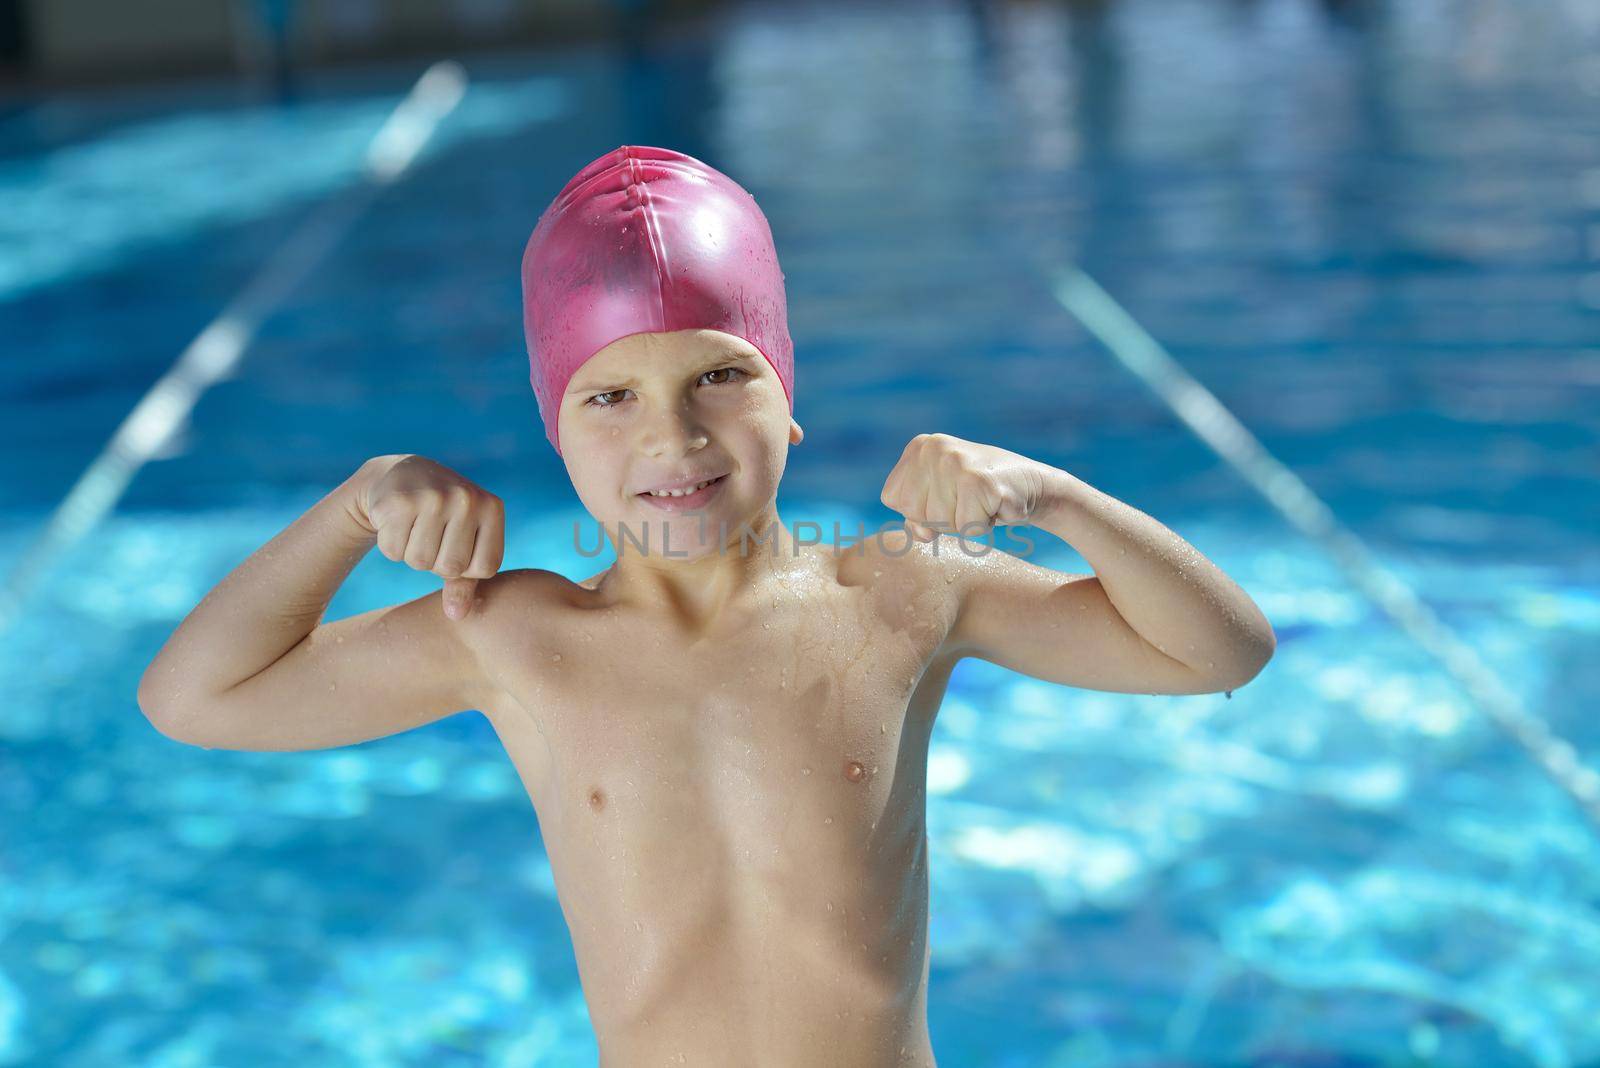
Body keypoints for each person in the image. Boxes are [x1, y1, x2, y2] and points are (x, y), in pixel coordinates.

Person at [137, 145, 1276, 1066]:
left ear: (788, 396)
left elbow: (1218, 651)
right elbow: (195, 698)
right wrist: (352, 508)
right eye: (610, 394)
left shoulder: (898, 591)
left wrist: (1058, 498)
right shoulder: (514, 638)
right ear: (555, 424)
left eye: (721, 377)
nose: (671, 438)